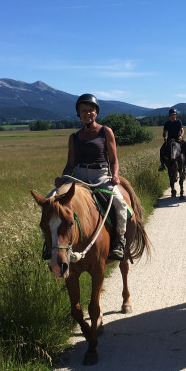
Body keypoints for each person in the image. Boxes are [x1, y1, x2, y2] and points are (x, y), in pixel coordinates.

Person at [60, 94, 128, 260]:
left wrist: (115, 175)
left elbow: (114, 159)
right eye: (83, 111)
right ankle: (51, 244)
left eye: (90, 110)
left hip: (101, 176)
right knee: (53, 200)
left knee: (120, 203)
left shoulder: (105, 132)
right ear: (79, 114)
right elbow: (70, 163)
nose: (87, 113)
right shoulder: (74, 137)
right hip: (78, 177)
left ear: (96, 112)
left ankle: (120, 239)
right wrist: (63, 178)